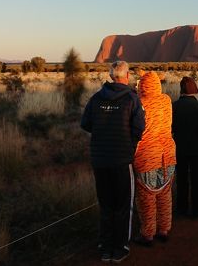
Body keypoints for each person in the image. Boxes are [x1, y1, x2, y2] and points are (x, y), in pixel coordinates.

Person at [81, 61, 146, 262]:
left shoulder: (96, 98)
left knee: (106, 203)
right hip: (121, 160)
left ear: (111, 76)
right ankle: (120, 248)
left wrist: (103, 134)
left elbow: (86, 123)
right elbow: (139, 128)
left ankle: (105, 246)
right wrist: (129, 143)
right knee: (123, 204)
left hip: (100, 161)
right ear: (126, 76)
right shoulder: (132, 99)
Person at [132, 72, 176, 247]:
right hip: (168, 154)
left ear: (142, 86)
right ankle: (164, 229)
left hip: (147, 155)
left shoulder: (139, 104)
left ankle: (148, 234)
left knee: (146, 196)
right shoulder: (166, 100)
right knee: (165, 193)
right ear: (157, 84)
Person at [172, 77, 198, 218]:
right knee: (196, 180)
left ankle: (181, 209)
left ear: (181, 89)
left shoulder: (174, 106)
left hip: (180, 149)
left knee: (182, 180)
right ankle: (197, 210)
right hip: (197, 149)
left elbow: (170, 127)